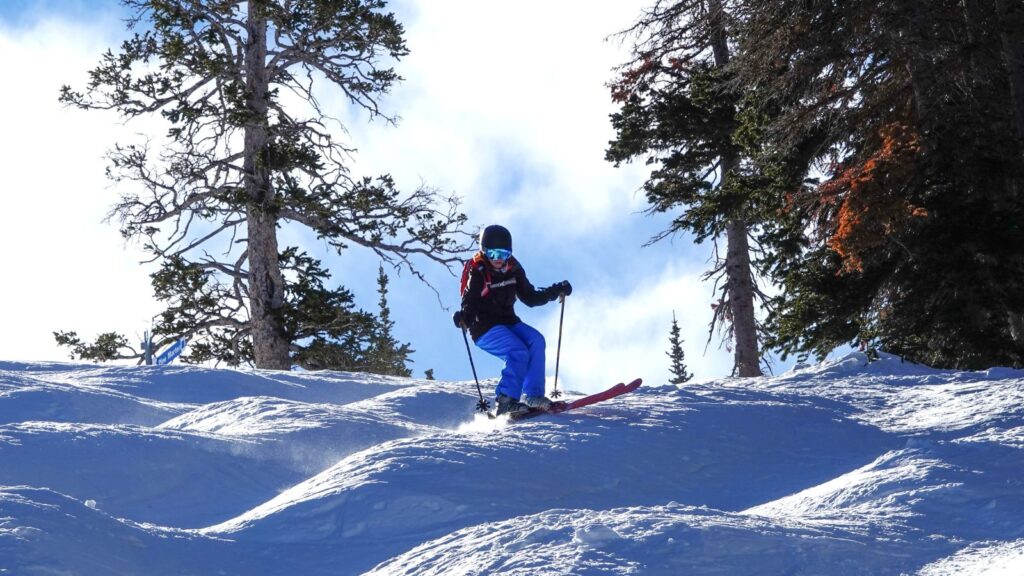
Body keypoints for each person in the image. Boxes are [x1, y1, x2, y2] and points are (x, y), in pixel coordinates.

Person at [453, 225, 572, 416]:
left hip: (508, 321)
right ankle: (506, 401)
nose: (498, 258)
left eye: (503, 253)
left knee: (536, 340)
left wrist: (556, 290)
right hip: (483, 327)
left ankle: (533, 396)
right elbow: (470, 300)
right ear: (484, 252)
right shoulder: (478, 272)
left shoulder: (513, 268)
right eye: (493, 253)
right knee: (518, 351)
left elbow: (531, 297)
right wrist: (463, 317)